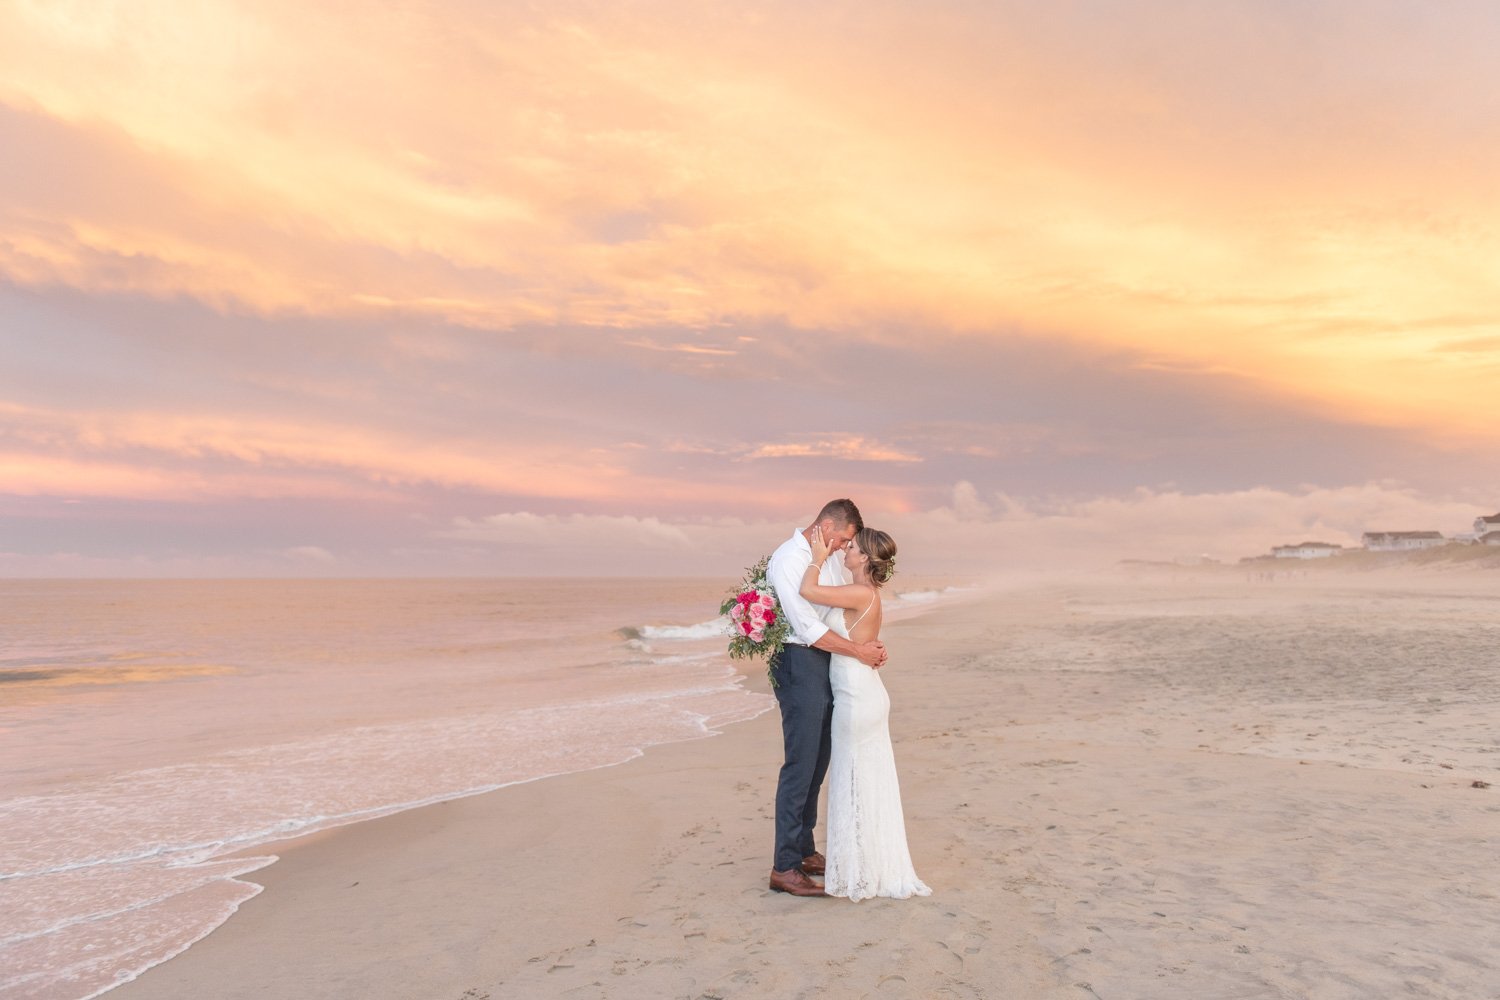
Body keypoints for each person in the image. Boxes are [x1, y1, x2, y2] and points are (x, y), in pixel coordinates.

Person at [764, 499, 888, 897]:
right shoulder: (789, 559)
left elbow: (844, 608)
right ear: (828, 525)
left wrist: (866, 643)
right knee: (800, 764)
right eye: (845, 538)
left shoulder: (828, 557)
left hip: (827, 663)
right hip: (799, 663)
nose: (843, 547)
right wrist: (860, 652)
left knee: (819, 761)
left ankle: (803, 849)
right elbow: (806, 627)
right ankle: (784, 867)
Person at [800, 525, 930, 901]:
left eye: (852, 547)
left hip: (858, 698)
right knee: (866, 780)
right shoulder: (866, 593)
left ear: (865, 559)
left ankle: (858, 870)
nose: (845, 550)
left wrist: (816, 558)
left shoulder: (859, 591)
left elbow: (807, 591)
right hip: (863, 693)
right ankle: (865, 863)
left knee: (852, 779)